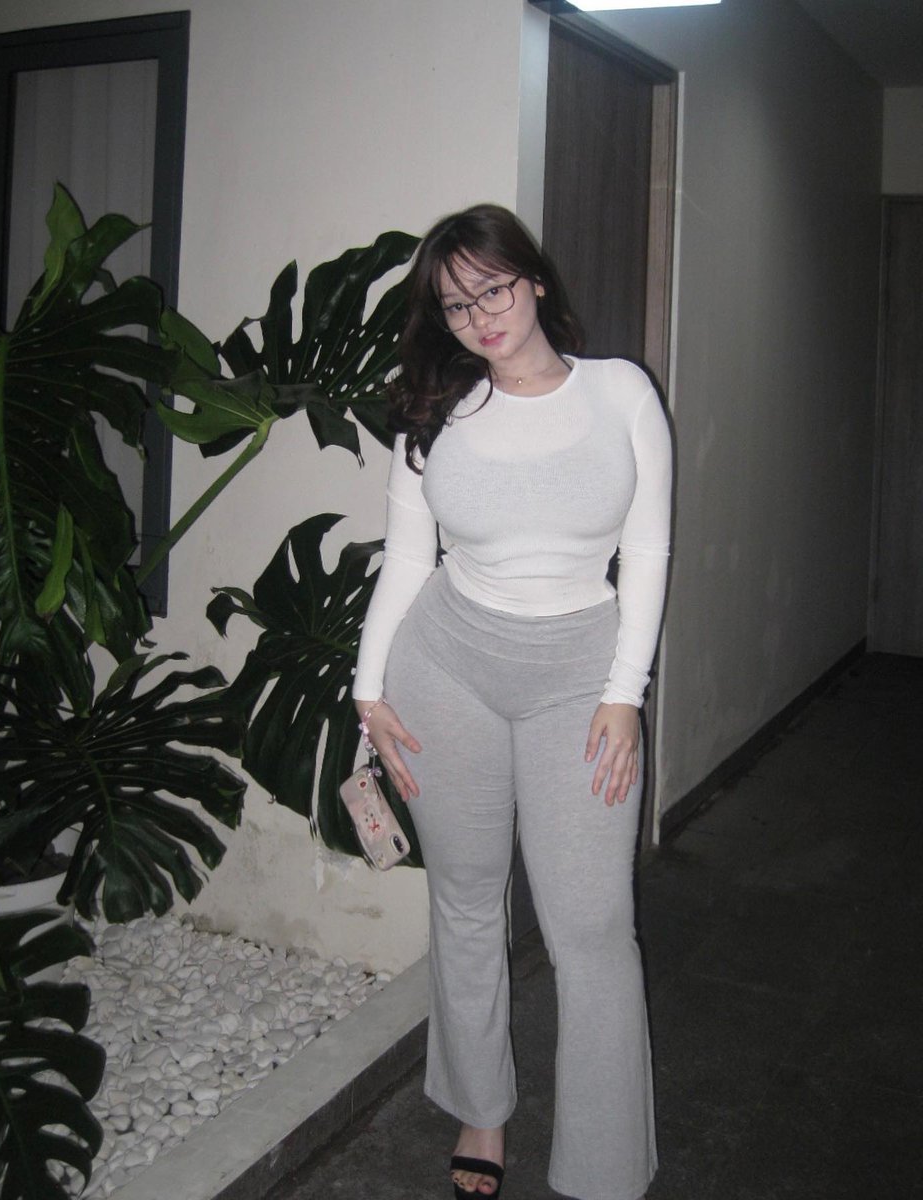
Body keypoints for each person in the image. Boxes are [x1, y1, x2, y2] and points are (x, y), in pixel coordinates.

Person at [352, 203, 672, 1200]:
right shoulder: (435, 414)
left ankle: (605, 1165)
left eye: (492, 289)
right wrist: (366, 690)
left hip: (582, 678)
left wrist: (625, 694)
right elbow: (408, 560)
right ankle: (480, 1112)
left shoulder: (620, 393)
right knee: (464, 896)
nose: (480, 316)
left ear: (532, 280)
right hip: (446, 669)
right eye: (456, 306)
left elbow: (647, 548)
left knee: (592, 926)